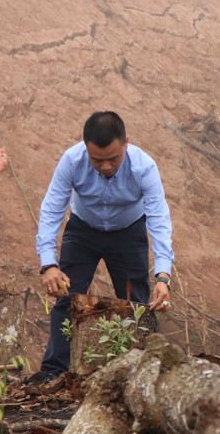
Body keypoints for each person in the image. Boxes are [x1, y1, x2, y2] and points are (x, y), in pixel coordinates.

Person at [32, 111, 174, 382]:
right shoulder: (71, 161)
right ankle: (55, 373)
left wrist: (163, 276)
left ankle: (139, 376)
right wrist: (48, 264)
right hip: (83, 231)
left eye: (114, 159)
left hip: (129, 234)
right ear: (86, 148)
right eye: (97, 160)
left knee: (137, 307)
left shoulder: (144, 167)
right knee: (66, 298)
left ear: (126, 143)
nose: (106, 166)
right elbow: (52, 210)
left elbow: (159, 220)